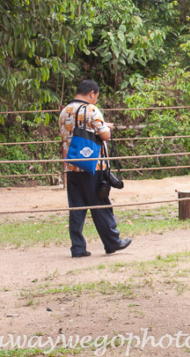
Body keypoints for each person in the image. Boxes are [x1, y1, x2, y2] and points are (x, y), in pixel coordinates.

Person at [59, 80, 132, 258]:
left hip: (72, 165)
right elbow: (104, 135)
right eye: (96, 97)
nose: (95, 100)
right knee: (100, 204)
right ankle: (112, 242)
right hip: (93, 165)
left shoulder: (64, 111)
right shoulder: (91, 110)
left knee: (76, 208)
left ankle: (78, 247)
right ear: (92, 93)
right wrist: (108, 127)